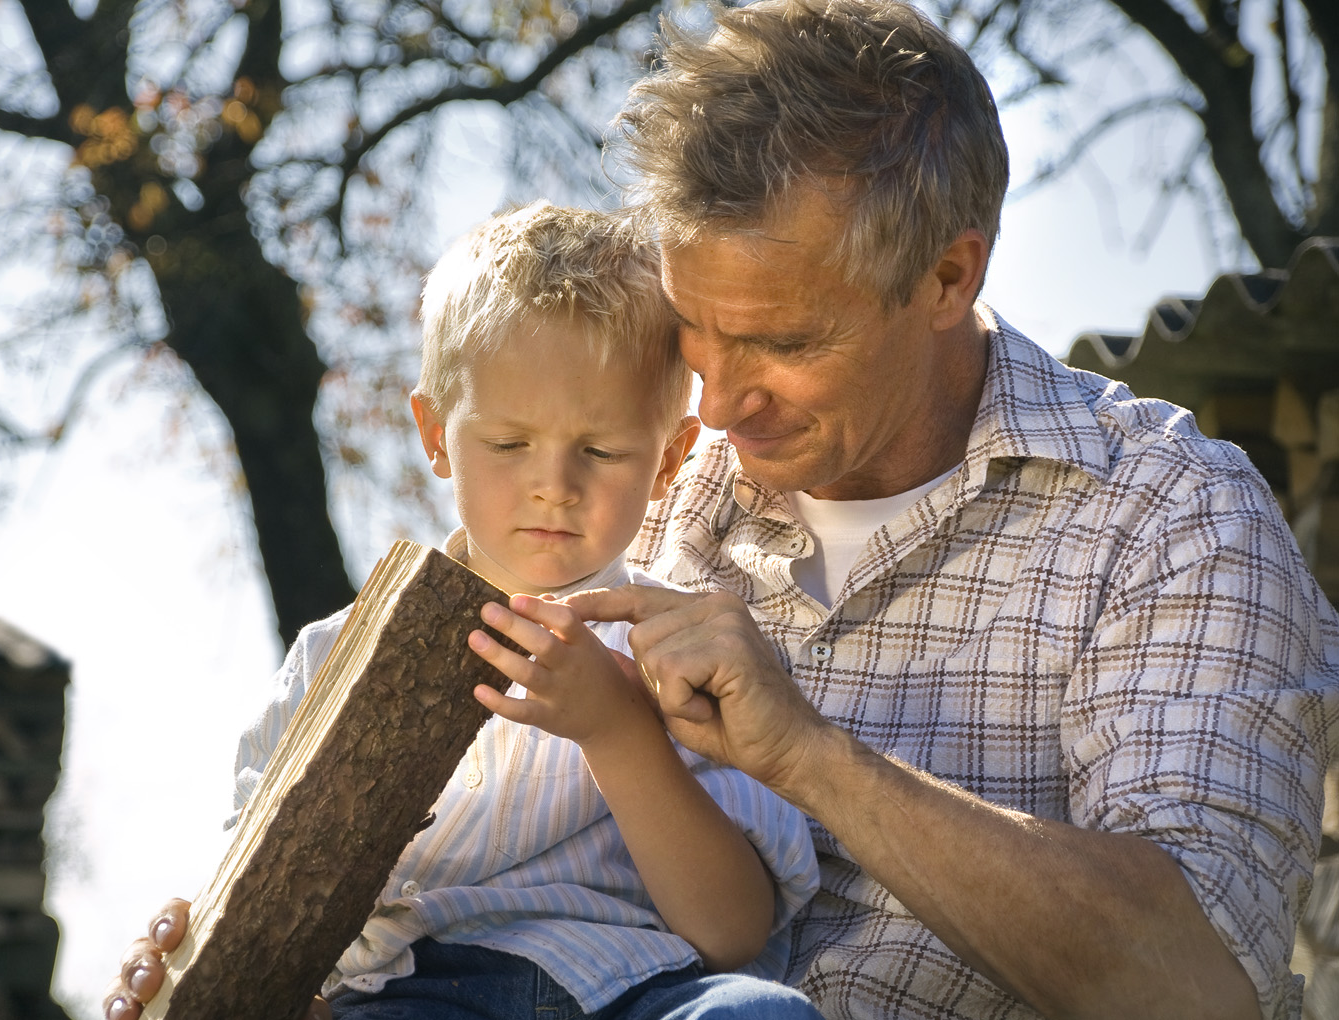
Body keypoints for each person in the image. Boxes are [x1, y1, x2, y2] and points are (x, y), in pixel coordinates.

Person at [557, 2, 1339, 1019]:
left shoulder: (1168, 514)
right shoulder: (644, 497)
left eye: (784, 344)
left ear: (944, 275)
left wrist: (806, 756)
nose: (714, 405)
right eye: (694, 332)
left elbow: (1194, 985)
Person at [102, 202, 821, 1020]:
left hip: (629, 989)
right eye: (509, 444)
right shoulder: (330, 659)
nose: (554, 483)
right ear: (436, 433)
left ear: (669, 459)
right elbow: (255, 887)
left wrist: (619, 728)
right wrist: (208, 955)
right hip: (398, 999)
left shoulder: (684, 651)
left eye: (602, 450)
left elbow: (730, 931)